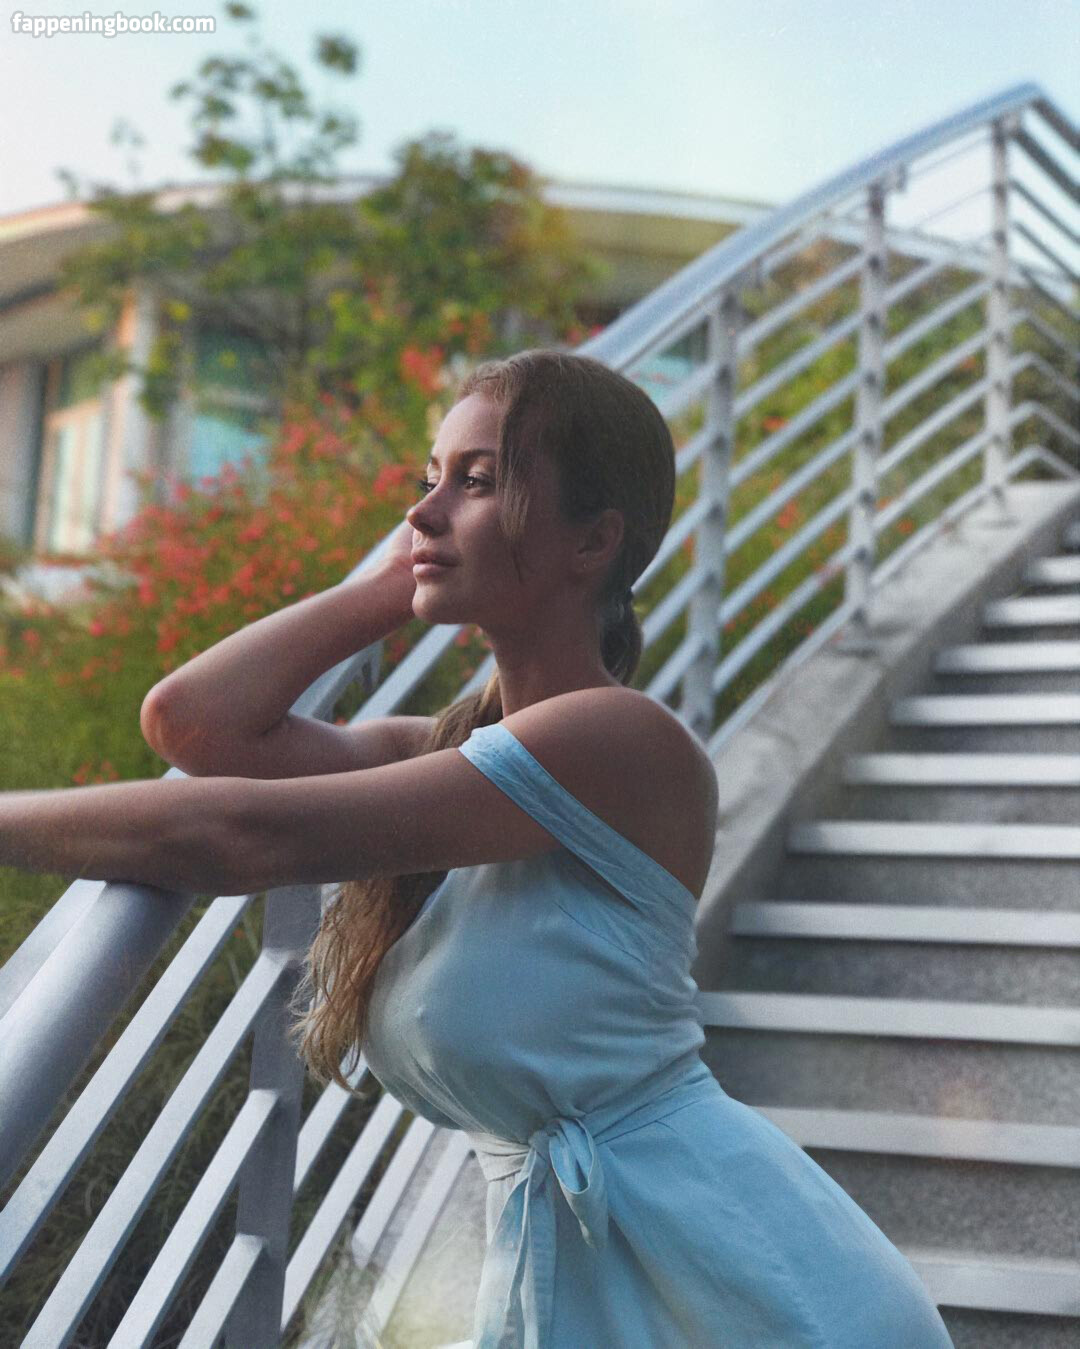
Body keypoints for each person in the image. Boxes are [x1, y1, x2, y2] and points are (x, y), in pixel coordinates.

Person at [0, 349, 954, 1348]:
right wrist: (395, 581)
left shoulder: (618, 741)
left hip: (748, 1287)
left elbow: (239, 832)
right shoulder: (446, 751)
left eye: (477, 481)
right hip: (592, 1283)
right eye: (431, 478)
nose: (424, 510)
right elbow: (191, 721)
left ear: (593, 540)